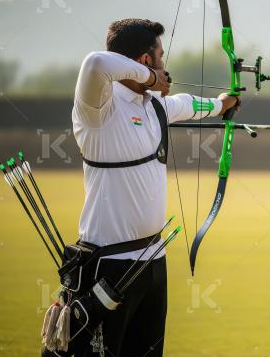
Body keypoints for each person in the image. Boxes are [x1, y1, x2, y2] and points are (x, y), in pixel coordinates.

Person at [64, 18, 239, 356]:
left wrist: (224, 104)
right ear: (145, 61)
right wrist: (151, 79)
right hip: (109, 264)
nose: (164, 65)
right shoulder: (98, 109)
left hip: (153, 261)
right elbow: (96, 63)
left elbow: (190, 104)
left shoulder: (155, 106)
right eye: (160, 56)